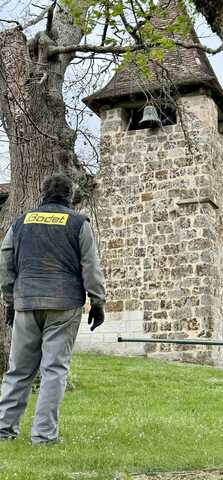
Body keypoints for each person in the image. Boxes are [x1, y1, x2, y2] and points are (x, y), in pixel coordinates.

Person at [0, 174, 106, 444]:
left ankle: (3, 431)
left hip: (26, 302)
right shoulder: (79, 223)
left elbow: (5, 261)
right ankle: (44, 436)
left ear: (43, 194)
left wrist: (10, 300)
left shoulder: (20, 222)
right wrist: (97, 301)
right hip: (64, 304)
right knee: (54, 370)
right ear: (69, 197)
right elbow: (90, 266)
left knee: (18, 371)